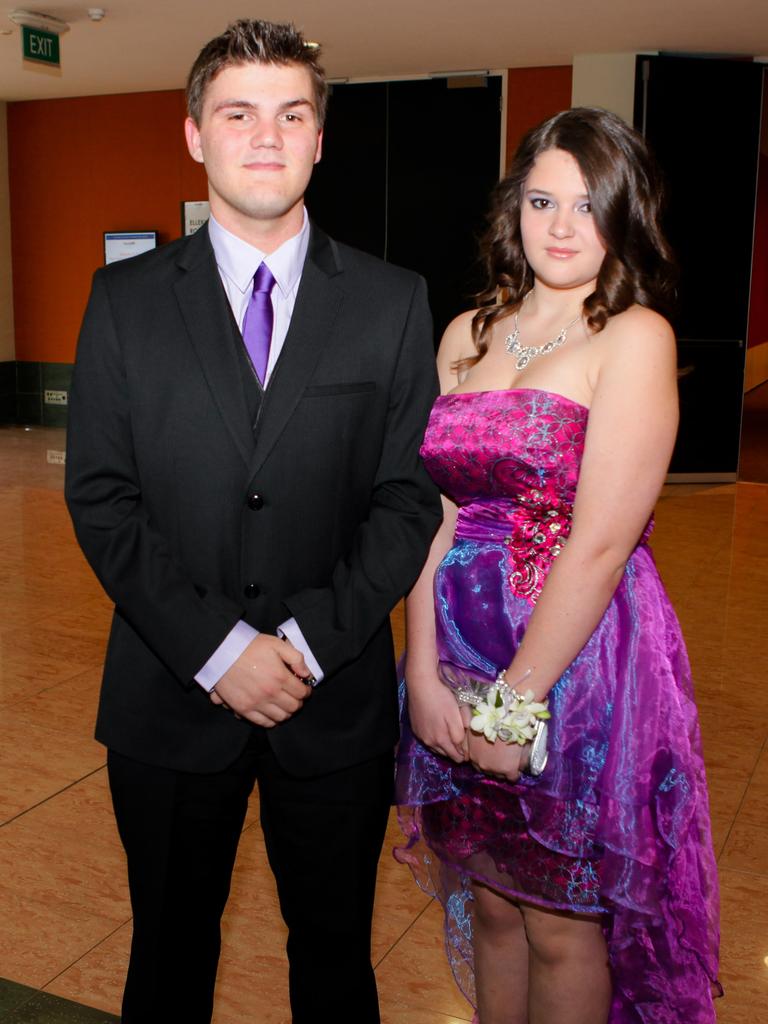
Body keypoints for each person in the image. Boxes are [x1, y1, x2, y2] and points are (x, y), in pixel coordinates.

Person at [65, 19, 441, 1024]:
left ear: (321, 138)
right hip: (169, 697)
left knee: (333, 961)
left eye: (291, 114)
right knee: (169, 956)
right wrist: (218, 647)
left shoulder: (394, 304)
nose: (266, 136)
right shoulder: (123, 302)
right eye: (238, 113)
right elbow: (101, 497)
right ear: (195, 134)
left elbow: (406, 499)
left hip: (336, 704)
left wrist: (309, 641)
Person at [395, 107, 720, 1024]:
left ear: (625, 217)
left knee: (560, 926)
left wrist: (514, 701)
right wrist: (421, 669)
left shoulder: (634, 337)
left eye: (589, 204)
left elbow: (604, 541)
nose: (564, 226)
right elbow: (435, 513)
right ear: (515, 210)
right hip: (458, 645)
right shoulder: (466, 331)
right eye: (544, 200)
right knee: (495, 906)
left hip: (572, 663)